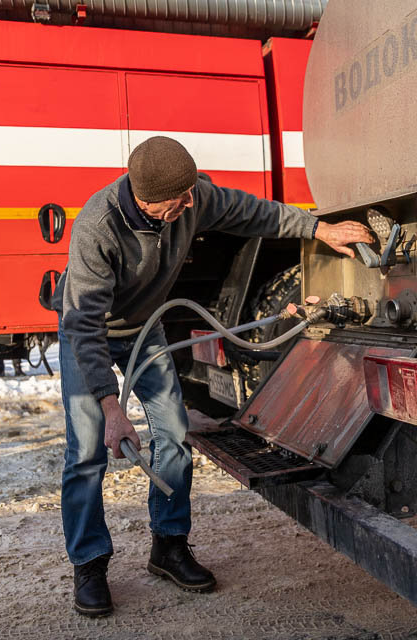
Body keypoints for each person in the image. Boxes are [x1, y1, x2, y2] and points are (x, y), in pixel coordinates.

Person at [52, 136, 373, 617]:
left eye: (190, 195)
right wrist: (111, 406)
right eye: (178, 200)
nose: (191, 203)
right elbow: (83, 322)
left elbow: (253, 212)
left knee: (175, 434)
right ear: (145, 200)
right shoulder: (97, 227)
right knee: (87, 450)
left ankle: (169, 546)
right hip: (91, 334)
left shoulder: (191, 196)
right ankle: (90, 564)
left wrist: (318, 229)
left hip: (147, 326)